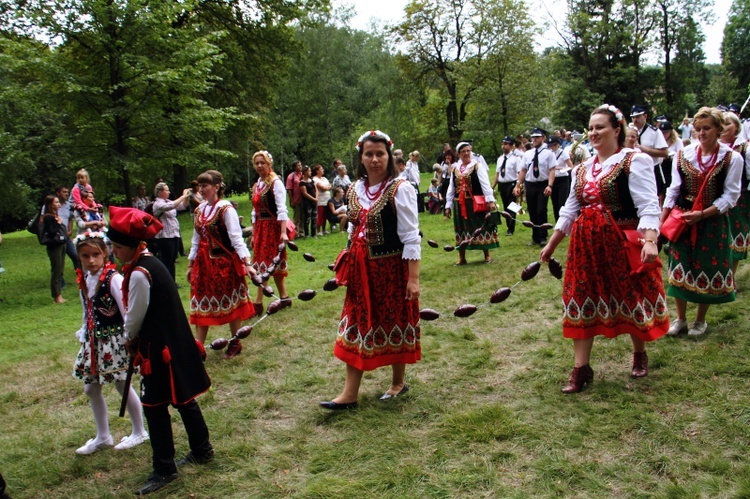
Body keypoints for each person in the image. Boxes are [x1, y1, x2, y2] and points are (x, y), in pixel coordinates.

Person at [540, 104, 668, 393]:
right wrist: (551, 245)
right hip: (586, 244)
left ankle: (639, 353)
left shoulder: (634, 161)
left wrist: (649, 240)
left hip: (621, 240)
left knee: (631, 295)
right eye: (591, 127)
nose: (594, 132)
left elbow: (649, 204)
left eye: (600, 127)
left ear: (616, 129)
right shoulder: (582, 168)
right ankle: (580, 369)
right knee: (580, 296)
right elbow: (569, 210)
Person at [107, 206, 213, 495]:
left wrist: (128, 339)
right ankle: (202, 449)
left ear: (133, 245)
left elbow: (134, 317)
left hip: (158, 351)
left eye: (117, 246)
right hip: (170, 343)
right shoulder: (148, 263)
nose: (114, 252)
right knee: (182, 399)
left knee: (154, 408)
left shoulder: (141, 272)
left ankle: (165, 468)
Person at [320, 130, 421, 410]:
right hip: (360, 269)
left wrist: (413, 279)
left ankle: (398, 382)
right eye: (369, 154)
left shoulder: (401, 189)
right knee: (356, 321)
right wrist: (348, 258)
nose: (375, 159)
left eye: (380, 154)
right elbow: (353, 227)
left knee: (395, 320)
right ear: (361, 158)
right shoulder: (354, 189)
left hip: (391, 268)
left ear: (389, 157)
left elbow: (412, 237)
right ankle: (349, 393)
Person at [663, 107, 743, 337]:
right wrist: (663, 220)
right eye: (697, 129)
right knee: (680, 265)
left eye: (706, 128)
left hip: (711, 220)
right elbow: (673, 189)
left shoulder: (731, 158)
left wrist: (703, 214)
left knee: (705, 267)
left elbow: (731, 195)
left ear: (719, 129)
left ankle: (700, 320)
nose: (701, 133)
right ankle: (680, 319)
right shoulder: (683, 154)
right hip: (683, 219)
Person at [72, 231, 148, 455]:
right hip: (94, 342)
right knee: (91, 388)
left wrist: (130, 337)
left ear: (105, 253)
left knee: (122, 384)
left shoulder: (112, 278)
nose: (91, 261)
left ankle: (140, 430)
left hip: (114, 340)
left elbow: (127, 309)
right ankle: (103, 435)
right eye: (85, 256)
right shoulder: (85, 280)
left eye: (96, 254)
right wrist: (85, 332)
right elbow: (87, 310)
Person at [187, 170, 255, 359]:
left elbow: (236, 239)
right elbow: (195, 239)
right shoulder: (200, 210)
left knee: (231, 304)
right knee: (201, 303)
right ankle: (198, 349)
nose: (201, 190)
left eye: (205, 186)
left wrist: (247, 263)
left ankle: (235, 342)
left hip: (223, 264)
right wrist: (191, 264)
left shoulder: (226, 209)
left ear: (216, 187)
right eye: (200, 186)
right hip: (203, 265)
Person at [249, 151, 291, 313]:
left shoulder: (275, 182)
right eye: (257, 163)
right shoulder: (257, 184)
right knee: (262, 263)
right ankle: (285, 297)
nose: (259, 166)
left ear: (269, 164)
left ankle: (258, 303)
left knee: (271, 263)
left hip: (273, 228)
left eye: (263, 163)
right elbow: (255, 211)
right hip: (260, 228)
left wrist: (283, 232)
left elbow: (282, 209)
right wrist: (254, 233)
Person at [444, 141, 499, 264]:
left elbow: (485, 184)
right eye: (463, 151)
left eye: (468, 151)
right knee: (460, 229)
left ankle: (487, 255)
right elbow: (451, 188)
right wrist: (448, 206)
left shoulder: (477, 166)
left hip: (475, 202)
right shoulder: (455, 169)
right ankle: (462, 258)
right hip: (460, 204)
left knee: (480, 226)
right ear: (458, 154)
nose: (466, 153)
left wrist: (490, 200)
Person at [722, 112, 750, 289]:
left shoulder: (745, 148)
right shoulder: (715, 148)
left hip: (740, 197)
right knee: (720, 236)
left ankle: (731, 277)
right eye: (722, 124)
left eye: (728, 124)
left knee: (736, 235)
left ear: (736, 127)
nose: (724, 127)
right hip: (717, 197)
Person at [514, 128, 556, 245]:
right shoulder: (528, 154)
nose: (534, 139)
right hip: (530, 183)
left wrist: (550, 186)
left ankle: (543, 236)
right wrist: (518, 185)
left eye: (537, 137)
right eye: (533, 137)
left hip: (543, 183)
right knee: (532, 210)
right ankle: (535, 236)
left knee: (541, 209)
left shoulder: (548, 153)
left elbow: (552, 170)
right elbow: (523, 170)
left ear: (543, 138)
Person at [151, 183, 191, 281]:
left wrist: (187, 197)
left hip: (174, 235)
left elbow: (182, 206)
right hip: (165, 237)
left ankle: (172, 282)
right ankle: (165, 282)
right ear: (160, 192)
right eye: (167, 190)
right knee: (166, 261)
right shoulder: (158, 204)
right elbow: (171, 206)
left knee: (172, 260)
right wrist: (183, 196)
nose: (169, 192)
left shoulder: (168, 201)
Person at [631, 105, 669, 204]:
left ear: (645, 116)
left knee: (655, 198)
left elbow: (664, 153)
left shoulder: (654, 132)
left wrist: (645, 149)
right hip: (635, 170)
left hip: (653, 168)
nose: (635, 120)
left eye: (638, 117)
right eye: (633, 117)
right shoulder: (630, 132)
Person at [41, 195, 68, 303]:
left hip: (61, 244)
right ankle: (56, 296)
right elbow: (52, 232)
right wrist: (58, 223)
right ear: (50, 204)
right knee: (56, 270)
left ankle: (59, 294)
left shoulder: (54, 215)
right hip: (54, 246)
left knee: (60, 269)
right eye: (56, 202)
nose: (59, 204)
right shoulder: (48, 217)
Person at [492, 136, 521, 235]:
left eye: (506, 144)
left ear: (511, 146)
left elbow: (519, 173)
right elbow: (497, 174)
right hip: (502, 185)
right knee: (505, 206)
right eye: (503, 144)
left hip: (512, 184)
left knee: (512, 206)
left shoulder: (516, 159)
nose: (503, 146)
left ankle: (511, 228)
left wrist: (517, 186)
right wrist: (492, 186)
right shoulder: (500, 159)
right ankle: (509, 224)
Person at [548, 136, 574, 221]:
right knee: (554, 202)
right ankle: (557, 221)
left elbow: (570, 166)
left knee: (561, 202)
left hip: (563, 179)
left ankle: (564, 220)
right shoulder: (549, 153)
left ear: (558, 144)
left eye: (554, 145)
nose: (552, 147)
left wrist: (560, 168)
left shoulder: (563, 153)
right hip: (553, 179)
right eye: (551, 145)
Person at [312, 164, 332, 236]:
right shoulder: (315, 179)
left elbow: (330, 186)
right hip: (320, 200)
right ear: (317, 171)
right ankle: (318, 230)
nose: (323, 170)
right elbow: (322, 188)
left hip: (327, 200)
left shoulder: (324, 178)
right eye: (321, 169)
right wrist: (327, 187)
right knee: (320, 215)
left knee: (325, 215)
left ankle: (324, 229)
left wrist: (326, 187)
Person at [285, 160, 304, 233]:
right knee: (297, 217)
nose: (300, 167)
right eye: (298, 165)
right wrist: (292, 200)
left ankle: (301, 231)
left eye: (300, 165)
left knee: (303, 216)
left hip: (303, 199)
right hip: (296, 199)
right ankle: (294, 232)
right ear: (294, 167)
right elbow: (289, 189)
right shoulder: (291, 176)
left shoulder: (302, 174)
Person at [299, 165, 317, 238]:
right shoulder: (302, 182)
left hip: (314, 201)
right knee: (307, 218)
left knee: (314, 217)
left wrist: (316, 198)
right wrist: (313, 199)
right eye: (309, 171)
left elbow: (316, 189)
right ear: (305, 172)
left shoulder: (312, 180)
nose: (311, 172)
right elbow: (305, 193)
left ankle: (314, 234)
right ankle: (306, 234)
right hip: (307, 202)